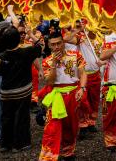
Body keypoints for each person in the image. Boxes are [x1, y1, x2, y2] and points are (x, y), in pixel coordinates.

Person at [38, 30, 87, 161]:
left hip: (73, 93)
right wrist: (54, 63)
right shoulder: (47, 61)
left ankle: (68, 152)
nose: (56, 47)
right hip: (56, 96)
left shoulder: (76, 55)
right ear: (48, 45)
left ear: (63, 42)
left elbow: (83, 73)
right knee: (51, 128)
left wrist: (82, 88)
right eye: (53, 44)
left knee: (71, 125)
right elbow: (49, 82)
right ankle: (48, 157)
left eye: (59, 43)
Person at [0, 23, 42, 153]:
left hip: (6, 92)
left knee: (7, 117)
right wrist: (30, 34)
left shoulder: (2, 56)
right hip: (23, 91)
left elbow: (0, 72)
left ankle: (6, 144)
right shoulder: (26, 52)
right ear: (19, 39)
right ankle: (20, 143)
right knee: (21, 117)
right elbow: (41, 46)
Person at [64, 20, 103, 136]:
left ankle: (91, 122)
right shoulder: (81, 38)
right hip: (83, 75)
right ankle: (83, 124)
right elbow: (65, 39)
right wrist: (78, 30)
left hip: (96, 74)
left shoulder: (100, 38)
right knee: (83, 101)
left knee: (94, 100)